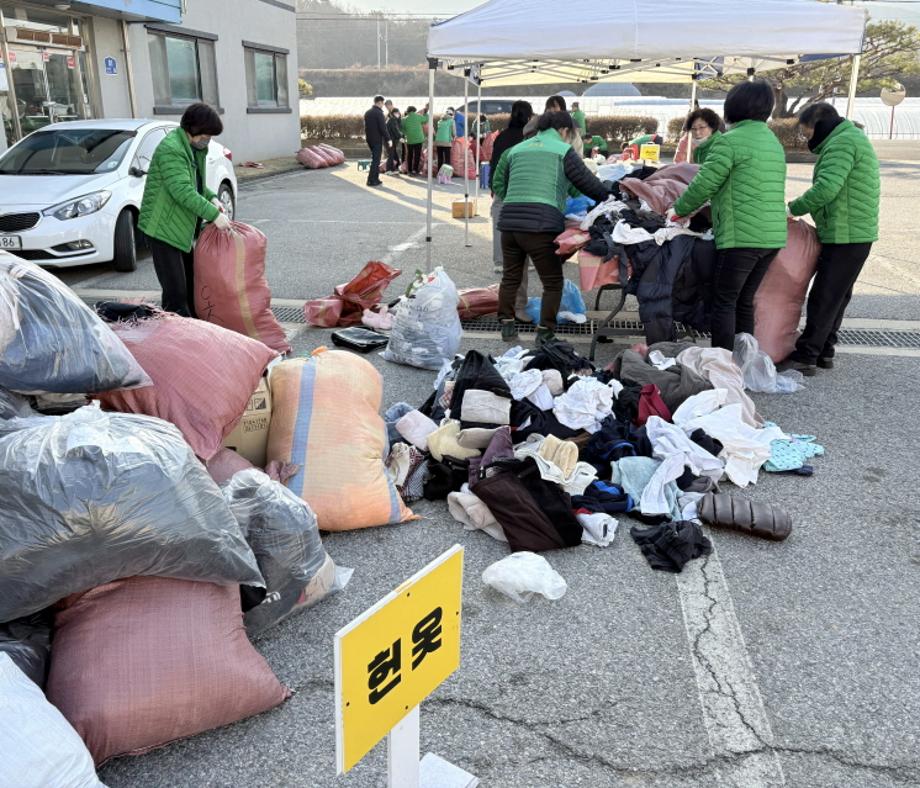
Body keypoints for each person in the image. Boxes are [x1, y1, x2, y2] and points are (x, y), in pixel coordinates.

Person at [669, 79, 787, 352]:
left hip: (742, 237)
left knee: (723, 302)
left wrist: (679, 210)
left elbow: (704, 184)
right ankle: (745, 362)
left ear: (732, 106)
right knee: (744, 300)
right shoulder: (772, 141)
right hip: (772, 236)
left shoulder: (729, 142)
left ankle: (722, 367)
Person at [492, 111, 613, 346]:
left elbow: (500, 183)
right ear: (564, 131)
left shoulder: (515, 150)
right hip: (541, 225)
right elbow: (586, 182)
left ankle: (507, 327)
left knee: (511, 277)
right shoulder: (562, 151)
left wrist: (517, 202)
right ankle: (545, 332)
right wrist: (610, 196)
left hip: (509, 223)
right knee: (552, 282)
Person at [778, 102, 880, 376]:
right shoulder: (848, 138)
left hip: (846, 233)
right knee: (837, 295)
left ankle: (807, 355)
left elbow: (826, 189)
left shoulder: (841, 144)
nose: (806, 138)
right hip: (853, 232)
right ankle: (825, 350)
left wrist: (791, 208)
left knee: (824, 295)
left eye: (807, 131)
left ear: (820, 125)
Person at [138, 102, 230, 318]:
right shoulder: (172, 149)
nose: (208, 139)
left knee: (189, 286)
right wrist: (213, 215)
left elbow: (194, 183)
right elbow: (181, 190)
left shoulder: (190, 148)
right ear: (194, 129)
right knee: (176, 293)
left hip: (179, 229)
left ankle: (192, 332)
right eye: (206, 135)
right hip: (162, 229)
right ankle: (176, 341)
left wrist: (212, 197)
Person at [489, 100, 534, 319]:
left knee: (501, 232)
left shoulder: (503, 136)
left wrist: (494, 188)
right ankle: (516, 308)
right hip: (523, 194)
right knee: (521, 253)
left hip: (503, 193)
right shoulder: (529, 140)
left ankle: (499, 262)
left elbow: (494, 164)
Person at [363, 95, 389, 187]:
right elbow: (383, 128)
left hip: (369, 139)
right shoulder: (378, 113)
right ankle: (371, 180)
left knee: (375, 159)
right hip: (377, 139)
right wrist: (388, 139)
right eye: (382, 103)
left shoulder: (368, 112)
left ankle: (376, 178)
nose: (383, 105)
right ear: (380, 102)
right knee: (376, 160)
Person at [402, 104, 428, 175]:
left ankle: (409, 170)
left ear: (408, 111)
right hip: (419, 139)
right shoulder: (418, 116)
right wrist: (426, 113)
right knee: (417, 155)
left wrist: (407, 133)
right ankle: (415, 170)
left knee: (409, 155)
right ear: (414, 111)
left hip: (409, 140)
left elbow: (402, 130)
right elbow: (426, 120)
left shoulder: (404, 119)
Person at [385, 106, 403, 175]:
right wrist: (400, 137)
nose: (399, 114)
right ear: (394, 113)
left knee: (393, 154)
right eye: (398, 113)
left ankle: (395, 168)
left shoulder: (391, 119)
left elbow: (397, 128)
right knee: (391, 155)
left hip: (389, 140)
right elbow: (395, 130)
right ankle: (388, 170)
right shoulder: (392, 120)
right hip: (390, 140)